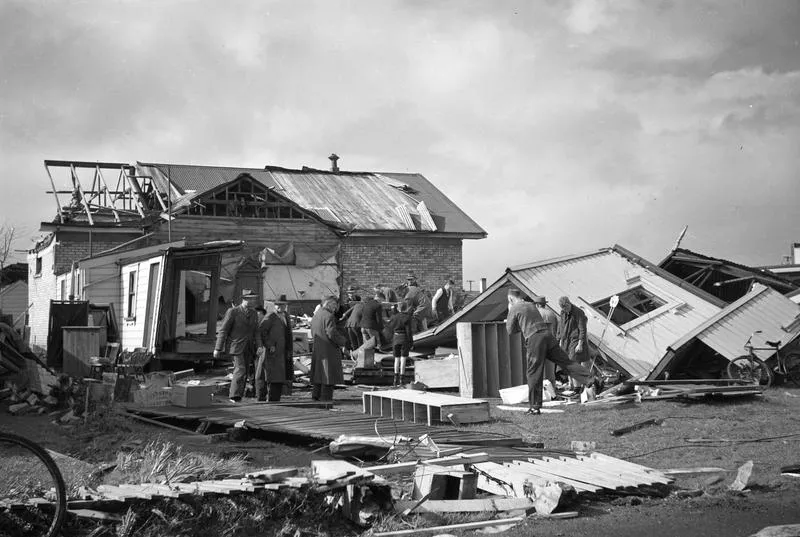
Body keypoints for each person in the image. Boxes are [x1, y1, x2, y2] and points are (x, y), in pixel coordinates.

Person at [506, 289, 591, 415]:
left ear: (511, 299)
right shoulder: (531, 305)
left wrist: (510, 311)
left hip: (534, 338)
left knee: (534, 373)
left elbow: (510, 330)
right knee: (565, 362)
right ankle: (592, 380)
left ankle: (535, 407)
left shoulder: (514, 308)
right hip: (548, 335)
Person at [214, 289, 259, 403]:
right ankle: (233, 395)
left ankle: (238, 396)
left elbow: (256, 331)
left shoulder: (254, 313)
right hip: (236, 346)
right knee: (240, 369)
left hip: (249, 347)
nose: (253, 301)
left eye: (254, 298)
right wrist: (218, 348)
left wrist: (259, 346)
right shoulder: (233, 312)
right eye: (251, 299)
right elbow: (223, 330)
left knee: (245, 371)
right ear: (244, 299)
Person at [309, 296, 347, 401]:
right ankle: (326, 398)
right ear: (328, 304)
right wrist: (342, 341)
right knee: (328, 375)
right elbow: (331, 333)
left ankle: (316, 396)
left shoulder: (317, 314)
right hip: (328, 349)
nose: (335, 308)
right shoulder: (328, 316)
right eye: (334, 305)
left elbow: (313, 330)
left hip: (318, 347)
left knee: (318, 374)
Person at [254, 295, 292, 402]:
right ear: (275, 305)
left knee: (278, 376)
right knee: (266, 375)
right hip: (271, 352)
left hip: (281, 352)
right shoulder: (270, 316)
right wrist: (270, 344)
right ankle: (264, 398)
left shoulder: (285, 316)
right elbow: (262, 332)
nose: (281, 307)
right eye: (278, 304)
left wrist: (289, 349)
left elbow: (287, 334)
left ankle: (274, 399)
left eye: (283, 305)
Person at [557, 296, 590, 388]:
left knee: (573, 363)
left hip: (575, 340)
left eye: (566, 307)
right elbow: (561, 326)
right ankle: (571, 385)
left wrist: (580, 343)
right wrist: (559, 339)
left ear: (569, 303)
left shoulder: (578, 312)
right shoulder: (563, 312)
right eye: (563, 308)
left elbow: (582, 329)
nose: (565, 310)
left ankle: (577, 387)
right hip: (565, 341)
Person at [532, 295, 559, 389]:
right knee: (550, 371)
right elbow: (557, 330)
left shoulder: (535, 314)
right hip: (551, 344)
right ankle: (552, 390)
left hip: (539, 344)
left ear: (537, 305)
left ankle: (541, 390)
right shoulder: (552, 314)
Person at [386, 301, 414, 387]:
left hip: (395, 338)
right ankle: (402, 380)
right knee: (403, 359)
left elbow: (389, 329)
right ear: (406, 308)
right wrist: (411, 342)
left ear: (398, 308)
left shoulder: (394, 317)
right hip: (404, 338)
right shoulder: (407, 317)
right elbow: (409, 331)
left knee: (396, 359)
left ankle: (395, 379)